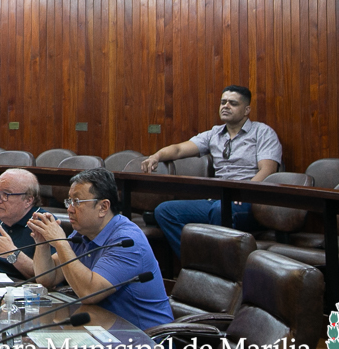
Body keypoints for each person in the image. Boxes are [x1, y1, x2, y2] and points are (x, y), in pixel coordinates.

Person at [141, 84, 281, 258]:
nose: (225, 106)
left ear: (246, 110)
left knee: (219, 209)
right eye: (223, 102)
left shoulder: (262, 132)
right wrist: (156, 156)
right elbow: (178, 149)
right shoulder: (214, 134)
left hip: (248, 201)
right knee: (165, 211)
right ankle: (196, 260)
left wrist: (243, 192)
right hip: (218, 200)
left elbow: (268, 170)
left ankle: (217, 266)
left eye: (232, 103)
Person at [27, 167, 173, 330]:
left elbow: (89, 293)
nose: (70, 209)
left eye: (77, 202)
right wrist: (42, 243)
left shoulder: (127, 241)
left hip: (146, 337)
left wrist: (61, 243)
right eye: (69, 201)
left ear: (103, 207)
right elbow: (47, 278)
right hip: (103, 329)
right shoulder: (83, 233)